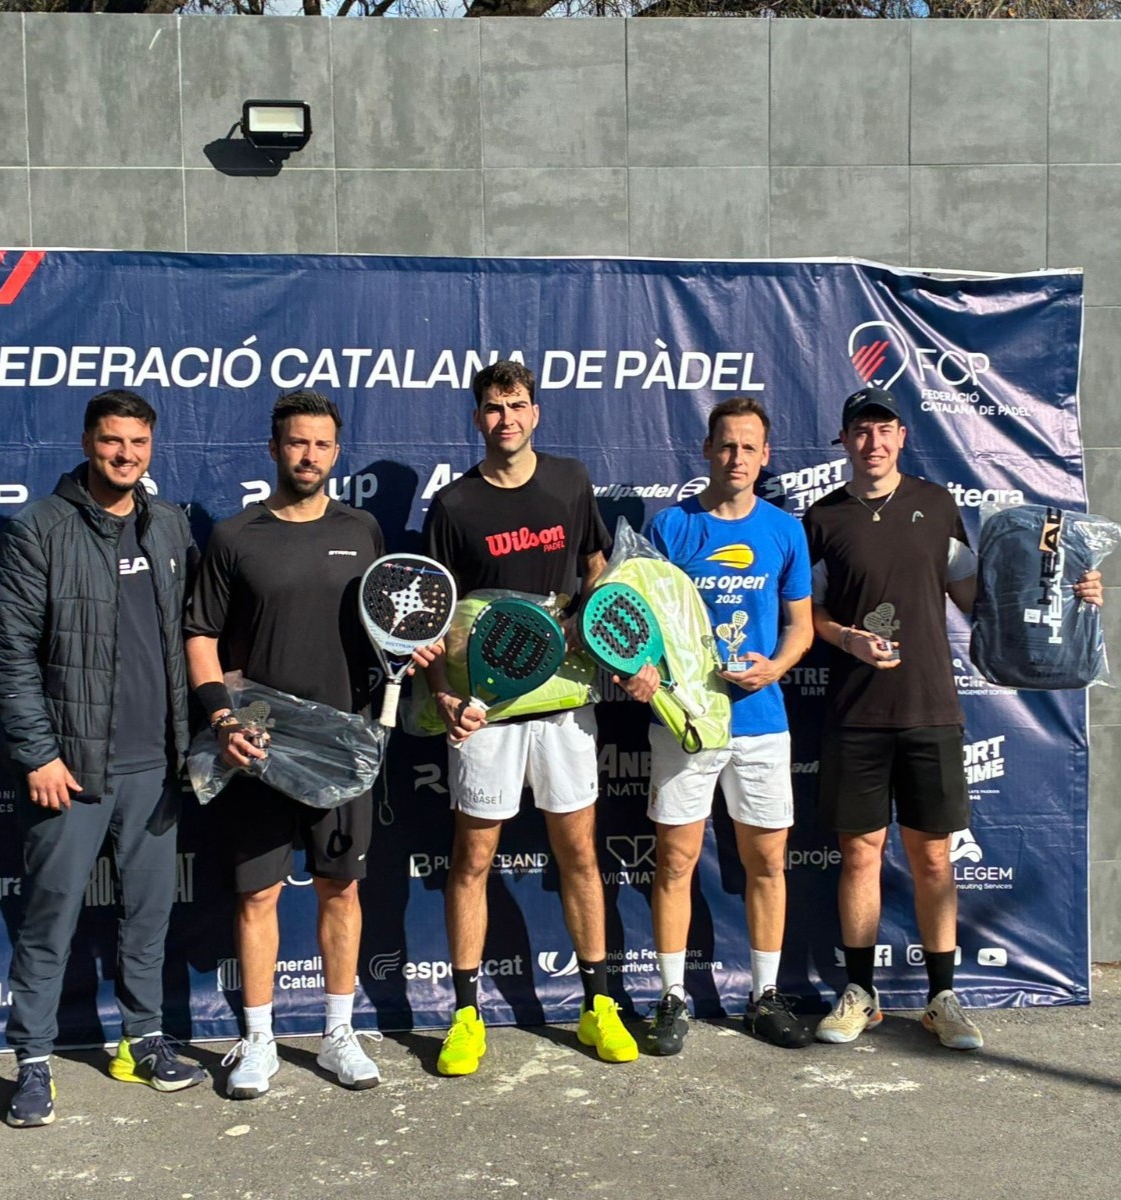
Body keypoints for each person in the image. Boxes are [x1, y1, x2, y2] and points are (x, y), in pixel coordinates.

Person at [805, 387, 1102, 1050]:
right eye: (861, 431)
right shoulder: (822, 517)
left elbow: (980, 600)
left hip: (931, 710)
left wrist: (1074, 592)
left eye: (884, 429)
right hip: (854, 714)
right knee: (859, 855)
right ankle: (861, 994)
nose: (873, 442)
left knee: (935, 858)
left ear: (902, 437)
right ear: (845, 441)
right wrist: (847, 638)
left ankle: (942, 999)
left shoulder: (936, 505)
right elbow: (810, 614)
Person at [185, 390, 418, 1098]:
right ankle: (257, 1040)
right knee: (257, 895)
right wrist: (224, 722)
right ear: (274, 449)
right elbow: (201, 636)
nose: (308, 455)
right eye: (296, 442)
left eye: (320, 444)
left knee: (340, 889)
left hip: (343, 746)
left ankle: (339, 1033)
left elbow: (389, 627)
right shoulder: (235, 536)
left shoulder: (364, 530)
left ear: (335, 453)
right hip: (258, 743)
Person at [0, 390, 205, 1129]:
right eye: (113, 441)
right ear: (87, 442)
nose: (125, 455)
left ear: (152, 447)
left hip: (157, 767)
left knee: (148, 916)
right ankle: (33, 1062)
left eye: (138, 443)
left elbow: (190, 639)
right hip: (70, 770)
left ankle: (143, 1040)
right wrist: (38, 754)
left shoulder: (168, 524)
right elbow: (8, 655)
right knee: (49, 919)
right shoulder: (38, 529)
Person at [422, 360, 638, 1076]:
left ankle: (597, 1004)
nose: (506, 418)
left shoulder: (571, 482)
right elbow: (433, 617)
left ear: (536, 413)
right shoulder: (453, 505)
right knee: (472, 859)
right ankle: (465, 1015)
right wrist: (444, 697)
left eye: (517, 405)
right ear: (477, 418)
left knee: (579, 854)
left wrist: (587, 619)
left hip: (564, 704)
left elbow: (597, 563)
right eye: (493, 407)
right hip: (483, 710)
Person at [638, 397, 813, 1055]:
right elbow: (641, 620)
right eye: (727, 445)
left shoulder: (784, 531)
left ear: (765, 457)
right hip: (685, 720)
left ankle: (765, 996)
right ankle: (671, 997)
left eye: (749, 447)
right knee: (676, 861)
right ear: (707, 450)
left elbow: (801, 627)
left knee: (766, 862)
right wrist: (646, 673)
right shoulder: (671, 527)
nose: (737, 458)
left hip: (761, 722)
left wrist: (776, 668)